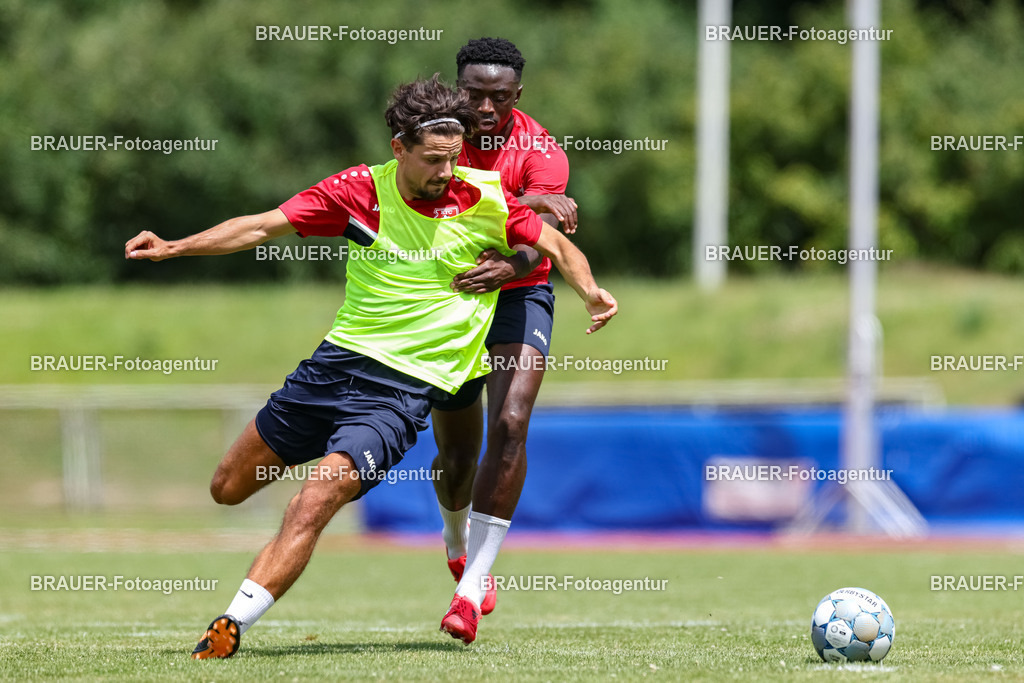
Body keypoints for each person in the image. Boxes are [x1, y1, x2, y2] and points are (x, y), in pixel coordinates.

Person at [123, 75, 617, 659]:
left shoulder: (482, 196)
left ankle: (231, 624)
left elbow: (558, 247)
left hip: (398, 396)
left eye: (453, 160)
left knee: (315, 499)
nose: (445, 173)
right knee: (228, 488)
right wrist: (176, 247)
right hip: (334, 368)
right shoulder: (357, 190)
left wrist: (591, 292)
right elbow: (262, 225)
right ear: (399, 149)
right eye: (433, 160)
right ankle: (336, 467)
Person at [429, 37, 578, 644]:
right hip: (452, 295)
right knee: (458, 456)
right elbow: (430, 202)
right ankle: (455, 540)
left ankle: (472, 591)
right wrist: (527, 202)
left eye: (498, 97)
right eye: (473, 94)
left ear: (519, 95)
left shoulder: (543, 151)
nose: (484, 108)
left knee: (512, 422)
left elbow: (541, 236)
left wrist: (513, 266)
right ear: (456, 89)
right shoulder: (436, 139)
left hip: (519, 292)